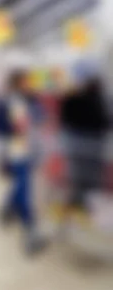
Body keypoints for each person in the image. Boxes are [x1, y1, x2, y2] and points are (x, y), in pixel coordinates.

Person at [0, 71, 47, 256]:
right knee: (24, 186)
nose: (30, 83)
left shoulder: (28, 99)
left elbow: (39, 118)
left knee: (21, 184)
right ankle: (30, 229)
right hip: (19, 148)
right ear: (18, 83)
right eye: (26, 81)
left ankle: (7, 208)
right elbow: (20, 126)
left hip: (27, 147)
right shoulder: (14, 101)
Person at [60, 67, 108, 217]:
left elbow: (65, 118)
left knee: (77, 174)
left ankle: (77, 201)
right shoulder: (99, 101)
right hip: (94, 144)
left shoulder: (73, 99)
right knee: (91, 177)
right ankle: (86, 204)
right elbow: (104, 122)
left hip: (76, 143)